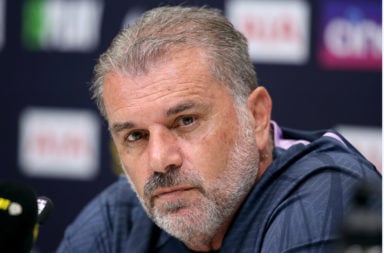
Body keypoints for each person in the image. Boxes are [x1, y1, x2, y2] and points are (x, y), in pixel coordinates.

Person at [57, 6, 381, 253]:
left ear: (255, 116)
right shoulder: (119, 215)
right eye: (136, 136)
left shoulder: (325, 193)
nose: (159, 160)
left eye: (185, 121)